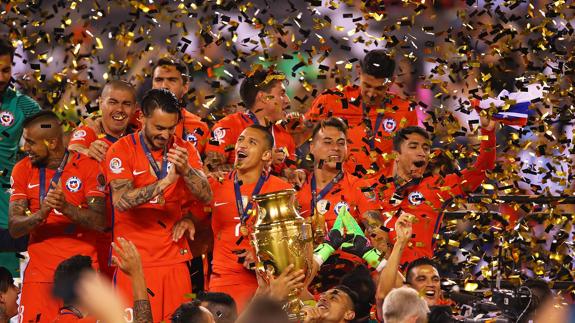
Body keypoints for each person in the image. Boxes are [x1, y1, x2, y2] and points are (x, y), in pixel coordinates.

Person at [105, 88, 212, 321]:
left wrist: (187, 171)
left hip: (174, 260)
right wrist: (165, 182)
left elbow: (206, 195)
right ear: (141, 118)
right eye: (159, 128)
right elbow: (121, 202)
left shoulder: (184, 149)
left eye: (171, 128)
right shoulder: (121, 150)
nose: (165, 135)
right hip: (134, 265)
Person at [8, 111, 106, 322]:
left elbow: (101, 222)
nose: (26, 148)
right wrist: (41, 214)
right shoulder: (22, 170)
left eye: (31, 143)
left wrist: (66, 208)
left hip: (81, 279)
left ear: (52, 142)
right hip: (40, 277)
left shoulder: (88, 167)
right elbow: (15, 227)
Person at [369, 113, 497, 265]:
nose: (422, 152)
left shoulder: (438, 187)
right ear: (396, 155)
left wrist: (488, 131)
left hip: (416, 279)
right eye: (413, 146)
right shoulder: (372, 188)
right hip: (377, 277)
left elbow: (481, 170)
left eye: (425, 148)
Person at [205, 125, 292, 309]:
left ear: (266, 155)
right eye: (240, 140)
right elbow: (196, 221)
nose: (242, 145)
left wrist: (261, 254)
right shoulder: (216, 184)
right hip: (222, 283)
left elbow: (292, 245)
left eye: (251, 142)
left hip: (268, 285)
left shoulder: (282, 190)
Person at [296, 117, 385, 290]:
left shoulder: (361, 187)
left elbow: (379, 238)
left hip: (347, 282)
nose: (335, 148)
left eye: (341, 143)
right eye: (327, 142)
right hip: (302, 277)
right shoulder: (296, 187)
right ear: (312, 147)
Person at [305, 49, 418, 179]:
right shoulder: (331, 100)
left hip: (383, 192)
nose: (371, 94)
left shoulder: (405, 110)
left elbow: (412, 156)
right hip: (338, 189)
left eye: (379, 88)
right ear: (359, 72)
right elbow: (301, 135)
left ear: (391, 82)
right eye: (367, 85)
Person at [68, 80, 137, 279]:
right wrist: (86, 150)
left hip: (129, 238)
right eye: (113, 102)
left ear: (134, 108)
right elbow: (71, 152)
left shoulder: (138, 137)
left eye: (126, 104)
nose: (119, 109)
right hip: (94, 238)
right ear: (100, 104)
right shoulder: (89, 133)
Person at [204, 69, 296, 177]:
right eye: (282, 94)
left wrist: (295, 175)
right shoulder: (228, 126)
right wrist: (260, 161)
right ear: (263, 97)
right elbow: (209, 171)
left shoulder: (285, 135)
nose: (287, 100)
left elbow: (288, 180)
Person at [0, 37, 41, 276]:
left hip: (6, 213)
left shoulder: (23, 105)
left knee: (6, 290)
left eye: (6, 70)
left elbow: (52, 134)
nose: (1, 77)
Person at [152, 57, 210, 155]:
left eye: (172, 80)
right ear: (152, 85)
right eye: (159, 79)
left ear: (185, 87)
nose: (164, 86)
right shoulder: (137, 120)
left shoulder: (199, 127)